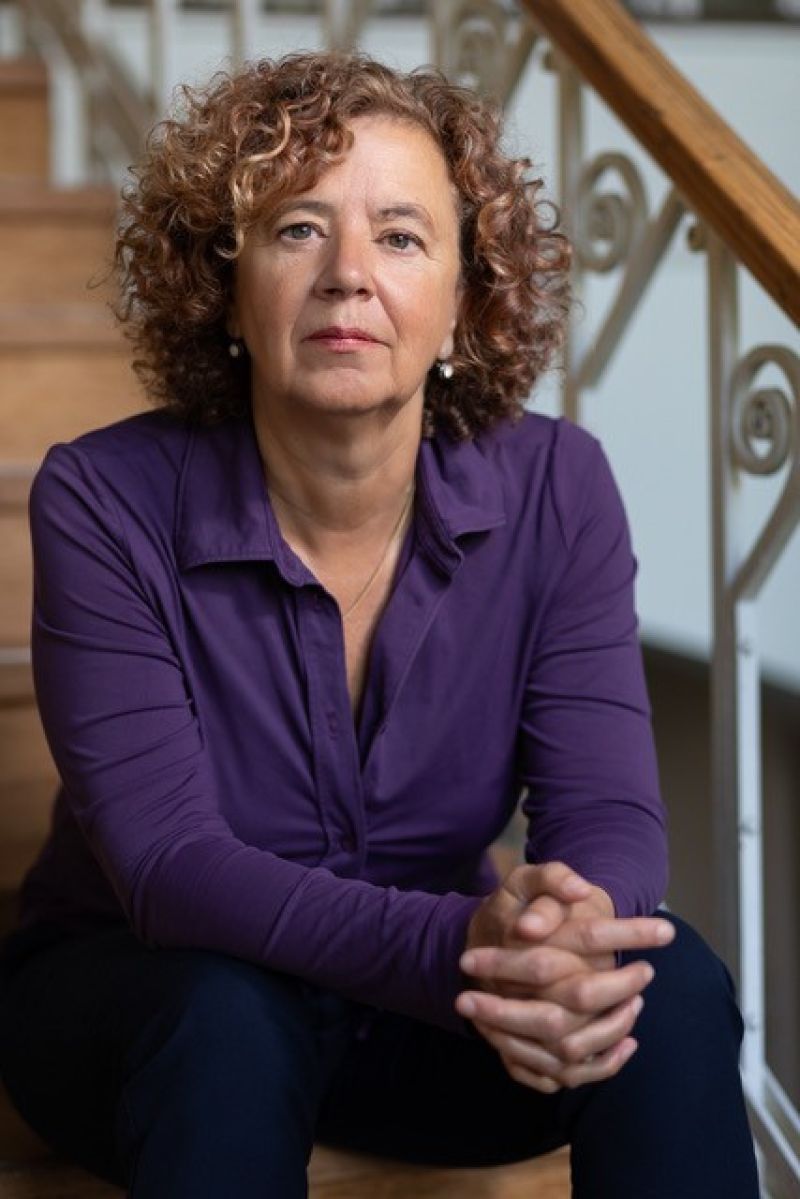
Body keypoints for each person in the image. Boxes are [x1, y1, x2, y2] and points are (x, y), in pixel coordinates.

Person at [0, 50, 759, 1197]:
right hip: (154, 1000)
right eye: (298, 229)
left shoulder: (555, 486)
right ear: (227, 288)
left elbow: (604, 809)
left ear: (462, 299)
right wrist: (458, 943)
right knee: (224, 1015)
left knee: (670, 986)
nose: (347, 275)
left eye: (400, 236)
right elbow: (170, 865)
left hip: (430, 1012)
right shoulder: (104, 497)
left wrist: (568, 930)